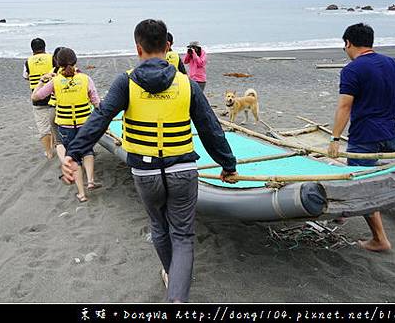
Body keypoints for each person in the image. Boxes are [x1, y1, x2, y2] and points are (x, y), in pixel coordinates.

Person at [60, 19, 238, 302]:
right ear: (168, 46)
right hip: (182, 170)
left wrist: (73, 152)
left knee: (159, 226)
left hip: (145, 173)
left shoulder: (125, 82)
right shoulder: (185, 82)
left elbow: (100, 117)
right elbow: (210, 128)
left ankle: (170, 274)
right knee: (182, 236)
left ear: (138, 48)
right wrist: (228, 164)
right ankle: (177, 298)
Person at [327, 23, 395, 252]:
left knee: (363, 187)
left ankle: (380, 239)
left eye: (345, 46)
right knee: (369, 175)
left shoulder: (352, 69)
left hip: (366, 136)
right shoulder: (390, 63)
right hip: (391, 136)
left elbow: (344, 106)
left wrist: (334, 139)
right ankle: (341, 213)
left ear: (348, 43)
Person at [32, 47, 101, 202]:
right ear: (75, 61)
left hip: (65, 125)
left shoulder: (54, 81)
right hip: (85, 123)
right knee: (88, 150)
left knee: (73, 156)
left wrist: (42, 80)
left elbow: (36, 97)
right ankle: (90, 180)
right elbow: (97, 102)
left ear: (58, 62)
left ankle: (82, 194)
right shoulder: (85, 79)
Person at [23, 38, 55, 159]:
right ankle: (56, 144)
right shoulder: (52, 58)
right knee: (54, 123)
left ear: (32, 50)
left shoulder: (28, 62)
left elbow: (25, 76)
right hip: (53, 97)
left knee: (43, 127)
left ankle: (48, 152)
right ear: (45, 47)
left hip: (38, 99)